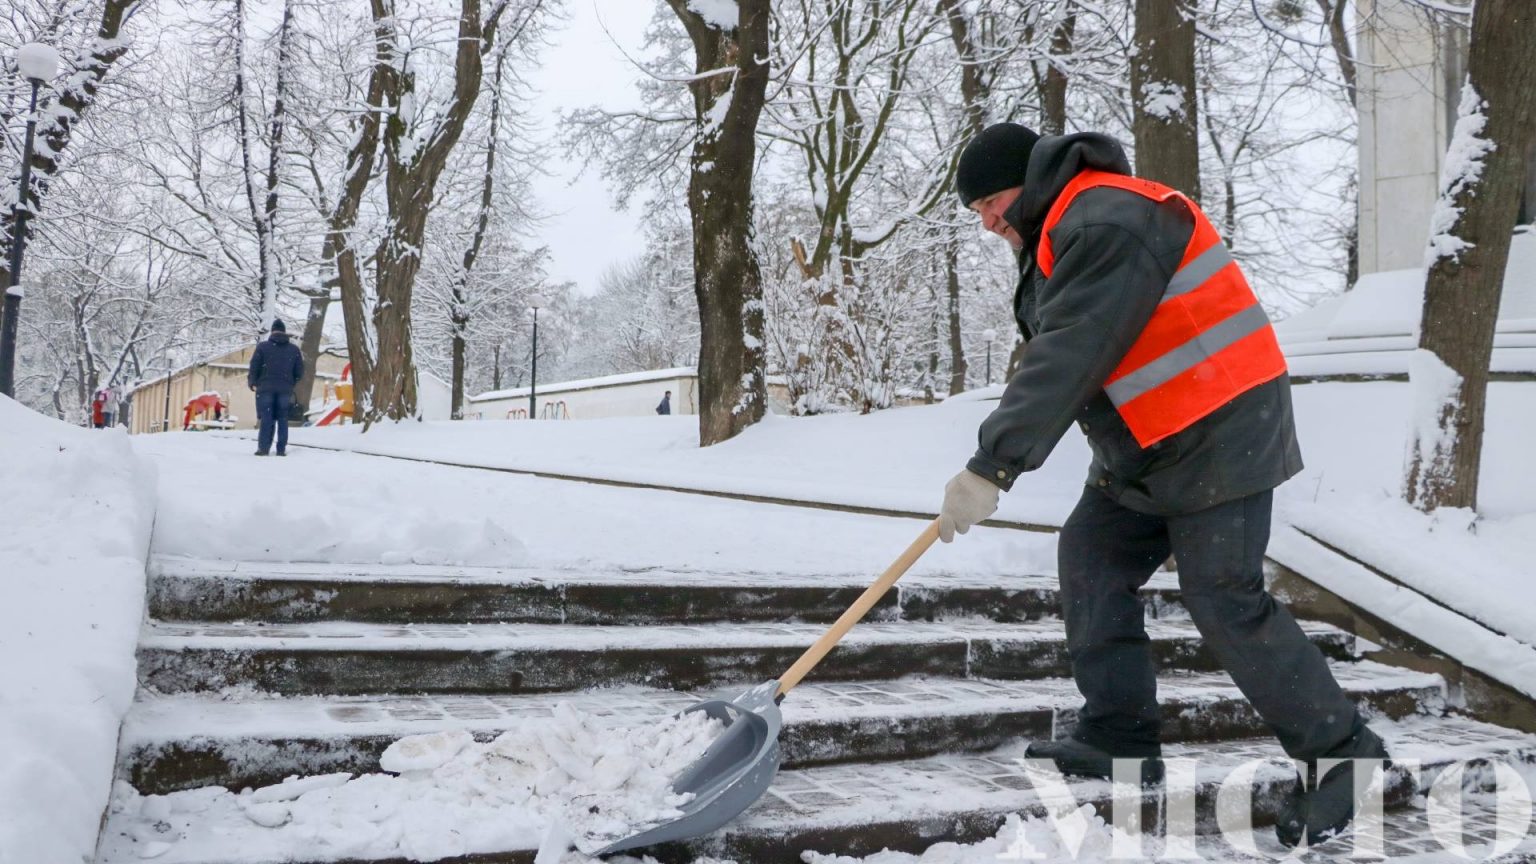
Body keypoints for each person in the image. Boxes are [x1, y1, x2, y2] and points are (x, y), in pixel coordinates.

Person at [937, 123, 1389, 848]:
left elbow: (1072, 348)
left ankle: (1344, 758)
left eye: (991, 201)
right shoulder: (1064, 227)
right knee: (1091, 558)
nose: (988, 222)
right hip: (1147, 444)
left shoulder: (1107, 215)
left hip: (1220, 427)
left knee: (1224, 597)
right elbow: (1060, 349)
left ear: (1030, 178)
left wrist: (995, 462)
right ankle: (1119, 734)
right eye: (978, 211)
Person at [247, 319, 305, 456]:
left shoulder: (262, 347)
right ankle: (281, 449)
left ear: (272, 331)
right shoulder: (294, 350)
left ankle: (263, 448)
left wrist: (252, 382)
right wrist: (291, 382)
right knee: (283, 418)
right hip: (285, 389)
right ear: (284, 332)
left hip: (265, 387)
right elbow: (300, 372)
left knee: (267, 418)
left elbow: (254, 366)